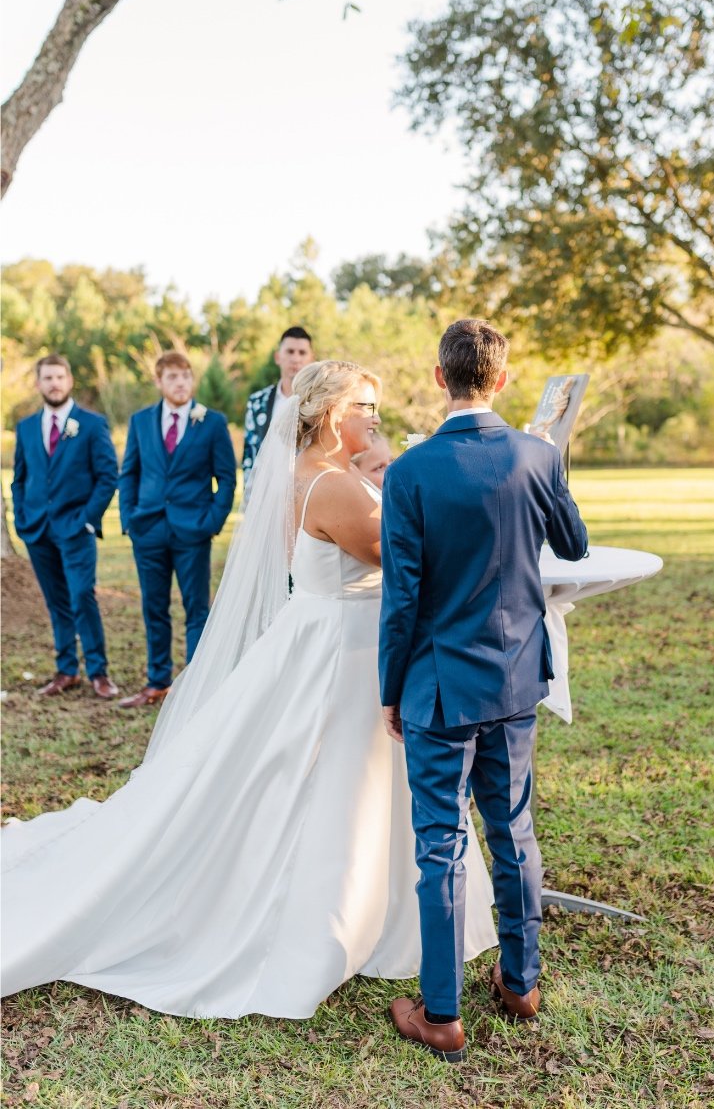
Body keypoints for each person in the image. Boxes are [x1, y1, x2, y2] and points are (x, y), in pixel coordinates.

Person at [1, 360, 499, 1016]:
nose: (375, 422)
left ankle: (376, 907)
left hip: (333, 637)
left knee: (327, 776)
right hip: (343, 650)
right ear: (329, 415)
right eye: (365, 409)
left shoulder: (324, 475)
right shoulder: (333, 487)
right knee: (338, 780)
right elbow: (404, 562)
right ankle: (338, 916)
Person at [378, 319, 588, 1062]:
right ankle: (521, 982)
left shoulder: (408, 472)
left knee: (440, 844)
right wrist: (552, 472)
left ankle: (442, 1014)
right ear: (500, 379)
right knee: (515, 829)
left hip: (439, 684)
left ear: (440, 378)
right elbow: (575, 544)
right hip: (516, 678)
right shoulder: (538, 455)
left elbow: (401, 598)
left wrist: (389, 687)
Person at [116, 352, 238, 707]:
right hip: (148, 529)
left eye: (186, 376)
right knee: (154, 607)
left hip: (192, 530)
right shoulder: (140, 421)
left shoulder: (212, 422)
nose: (181, 382)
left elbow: (227, 478)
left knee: (196, 608)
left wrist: (212, 522)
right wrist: (130, 519)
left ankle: (198, 687)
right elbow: (130, 474)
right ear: (159, 382)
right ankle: (157, 682)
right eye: (172, 377)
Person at [9, 354, 121, 699]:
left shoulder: (91, 423)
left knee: (82, 595)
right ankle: (66, 670)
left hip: (76, 528)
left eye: (59, 376)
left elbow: (107, 477)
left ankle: (98, 672)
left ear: (69, 381)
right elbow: (20, 478)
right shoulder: (27, 427)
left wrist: (87, 519)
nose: (54, 383)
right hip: (37, 530)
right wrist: (22, 515)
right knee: (56, 601)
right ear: (39, 383)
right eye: (47, 378)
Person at [242, 326, 314, 494]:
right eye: (290, 351)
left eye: (302, 353)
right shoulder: (257, 402)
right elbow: (249, 454)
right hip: (266, 493)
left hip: (304, 495)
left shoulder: (318, 402)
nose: (295, 359)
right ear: (277, 357)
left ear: (311, 358)